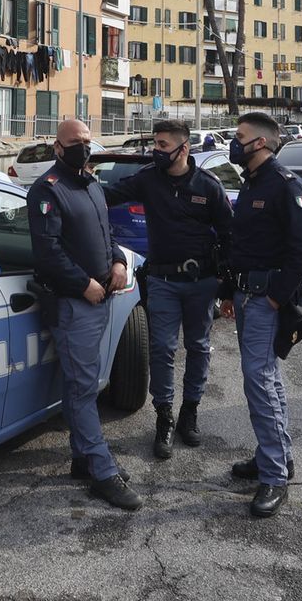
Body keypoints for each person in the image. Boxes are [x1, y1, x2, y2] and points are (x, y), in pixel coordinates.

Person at [27, 118, 140, 511]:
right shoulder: (47, 190)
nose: (84, 147)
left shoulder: (90, 184)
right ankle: (101, 469)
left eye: (88, 141)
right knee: (83, 387)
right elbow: (49, 251)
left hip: (101, 295)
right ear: (57, 147)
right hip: (75, 303)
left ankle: (82, 457)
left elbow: (105, 233)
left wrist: (116, 262)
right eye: (75, 142)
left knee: (83, 382)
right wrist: (83, 284)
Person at [104, 119, 233, 458]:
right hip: (162, 281)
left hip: (202, 283)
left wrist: (229, 283)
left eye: (162, 145)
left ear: (183, 148)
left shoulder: (208, 186)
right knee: (161, 349)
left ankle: (190, 411)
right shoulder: (148, 179)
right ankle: (165, 416)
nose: (155, 150)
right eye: (155, 144)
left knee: (199, 347)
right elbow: (106, 196)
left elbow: (230, 234)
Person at [218, 111, 302, 518]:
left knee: (259, 381)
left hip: (265, 300)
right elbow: (241, 246)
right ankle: (274, 457)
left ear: (260, 143)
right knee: (266, 379)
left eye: (240, 137)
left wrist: (277, 297)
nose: (234, 142)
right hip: (246, 296)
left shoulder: (283, 185)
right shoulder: (254, 182)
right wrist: (229, 291)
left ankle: (274, 476)